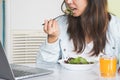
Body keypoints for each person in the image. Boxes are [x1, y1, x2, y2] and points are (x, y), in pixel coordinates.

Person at [36, 0, 120, 72]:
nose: (68, 1)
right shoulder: (60, 25)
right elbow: (43, 66)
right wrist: (52, 38)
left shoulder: (116, 27)